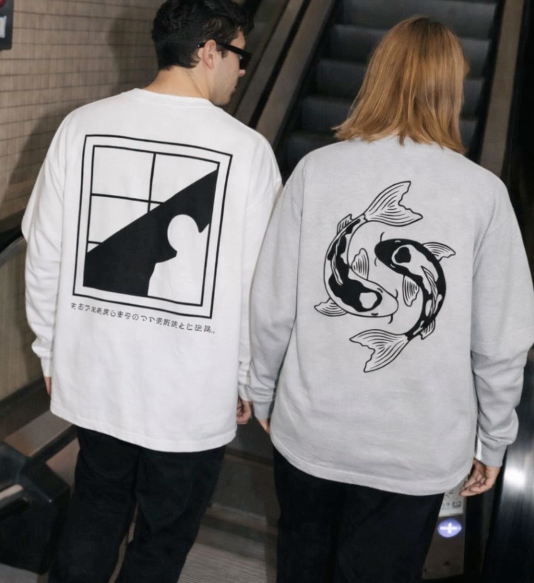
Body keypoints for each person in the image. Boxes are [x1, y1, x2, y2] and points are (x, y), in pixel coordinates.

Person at [247, 16, 534, 583]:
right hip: (418, 449)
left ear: (376, 77)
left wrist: (261, 391)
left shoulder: (315, 171)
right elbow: (501, 341)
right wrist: (494, 438)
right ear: (452, 90)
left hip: (313, 432)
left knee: (301, 565)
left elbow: (273, 305)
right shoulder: (485, 195)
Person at [22, 1, 281, 581]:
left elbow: (44, 254)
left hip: (99, 377)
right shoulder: (247, 151)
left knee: (93, 513)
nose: (242, 71)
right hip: (192, 392)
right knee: (163, 541)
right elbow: (258, 286)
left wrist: (51, 351)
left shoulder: (82, 126)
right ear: (209, 51)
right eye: (240, 56)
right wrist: (246, 377)